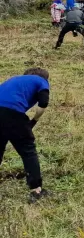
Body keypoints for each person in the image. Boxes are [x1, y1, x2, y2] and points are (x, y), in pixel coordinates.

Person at [0, 68, 51, 203]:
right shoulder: (41, 81)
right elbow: (44, 102)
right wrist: (33, 121)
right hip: (13, 113)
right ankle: (36, 190)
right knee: (28, 151)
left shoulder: (13, 79)